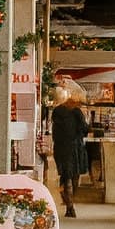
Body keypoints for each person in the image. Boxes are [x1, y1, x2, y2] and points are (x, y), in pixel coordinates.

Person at [50, 89, 88, 218]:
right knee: (74, 175)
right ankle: (70, 204)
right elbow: (84, 129)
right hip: (75, 147)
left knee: (65, 175)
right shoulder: (77, 112)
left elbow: (55, 130)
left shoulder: (56, 111)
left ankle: (68, 204)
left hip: (61, 147)